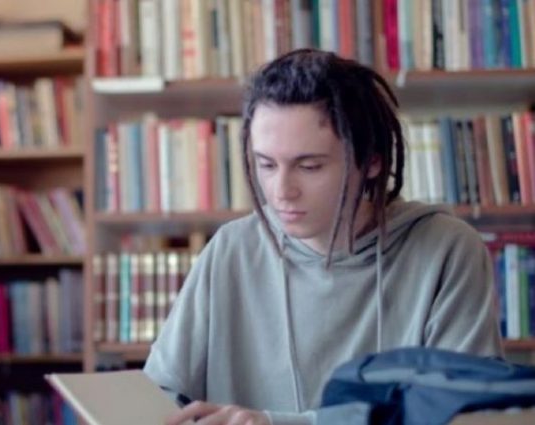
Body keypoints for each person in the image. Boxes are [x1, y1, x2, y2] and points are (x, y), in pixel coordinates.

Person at [144, 49, 503, 425]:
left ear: (372, 161)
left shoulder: (446, 249)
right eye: (266, 164)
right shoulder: (231, 249)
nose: (282, 190)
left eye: (309, 166)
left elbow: (461, 414)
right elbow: (159, 393)